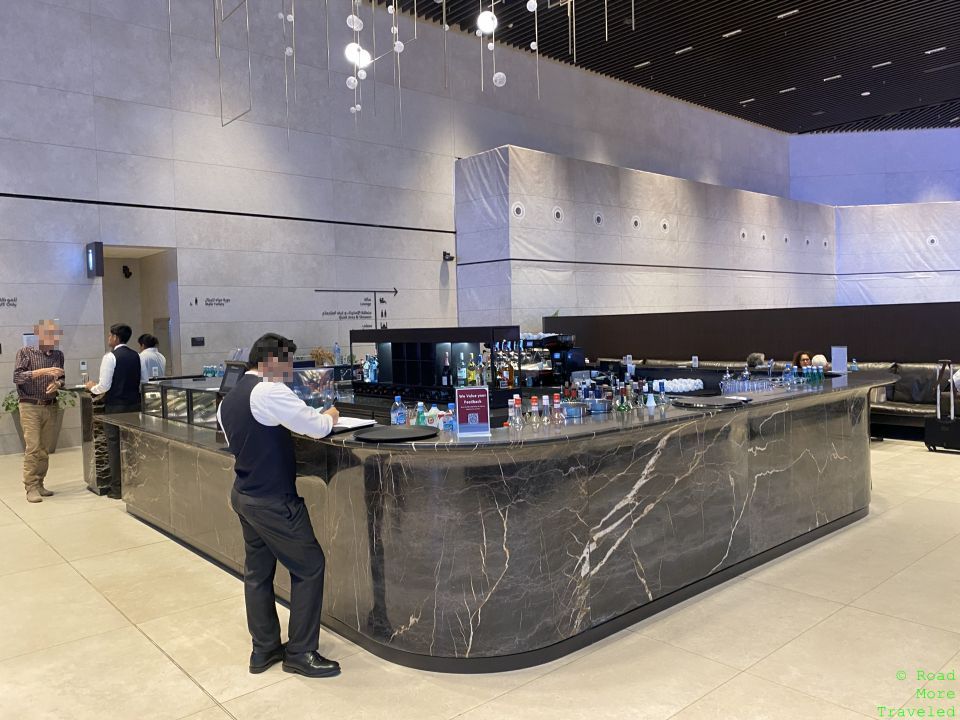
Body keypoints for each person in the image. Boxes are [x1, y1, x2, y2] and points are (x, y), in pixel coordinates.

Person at [217, 333, 342, 679]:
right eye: (286, 362)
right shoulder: (269, 390)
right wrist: (330, 415)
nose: (289, 370)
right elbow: (316, 427)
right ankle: (301, 652)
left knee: (257, 573)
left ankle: (265, 649)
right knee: (310, 565)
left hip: (244, 494)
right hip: (273, 500)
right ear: (271, 361)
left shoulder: (228, 399)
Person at [86, 324, 142, 499]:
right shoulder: (136, 356)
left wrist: (91, 387)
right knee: (132, 445)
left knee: (114, 446)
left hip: (116, 407)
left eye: (110, 335)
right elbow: (143, 380)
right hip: (135, 406)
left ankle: (117, 489)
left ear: (116, 337)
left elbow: (104, 386)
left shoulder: (110, 357)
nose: (108, 338)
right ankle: (134, 483)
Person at [13, 320, 65, 503]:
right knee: (33, 447)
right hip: (29, 405)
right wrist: (43, 371)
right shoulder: (25, 352)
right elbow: (18, 377)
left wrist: (57, 384)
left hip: (49, 405)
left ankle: (40, 483)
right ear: (39, 334)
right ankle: (30, 487)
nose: (53, 338)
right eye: (49, 334)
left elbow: (62, 377)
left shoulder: (58, 355)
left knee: (44, 449)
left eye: (55, 334)